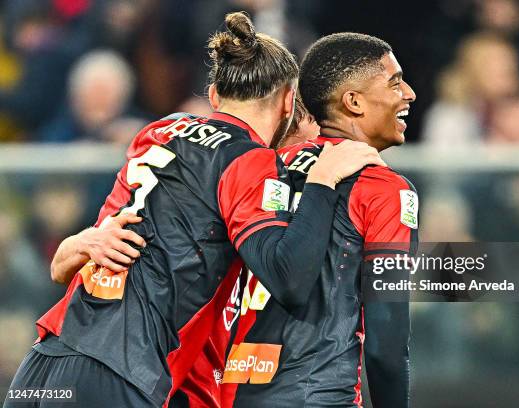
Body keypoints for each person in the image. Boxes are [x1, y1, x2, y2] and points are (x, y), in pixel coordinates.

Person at [4, 13, 383, 408]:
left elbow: (62, 266)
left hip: (44, 364)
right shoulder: (252, 163)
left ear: (215, 96)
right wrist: (322, 181)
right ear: (289, 101)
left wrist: (81, 241)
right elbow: (290, 278)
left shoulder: (158, 133)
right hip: (120, 371)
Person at [220, 33, 417, 407]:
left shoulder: (261, 170)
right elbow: (385, 343)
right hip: (320, 396)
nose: (408, 93)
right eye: (394, 82)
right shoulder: (383, 188)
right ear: (353, 102)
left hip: (229, 394)